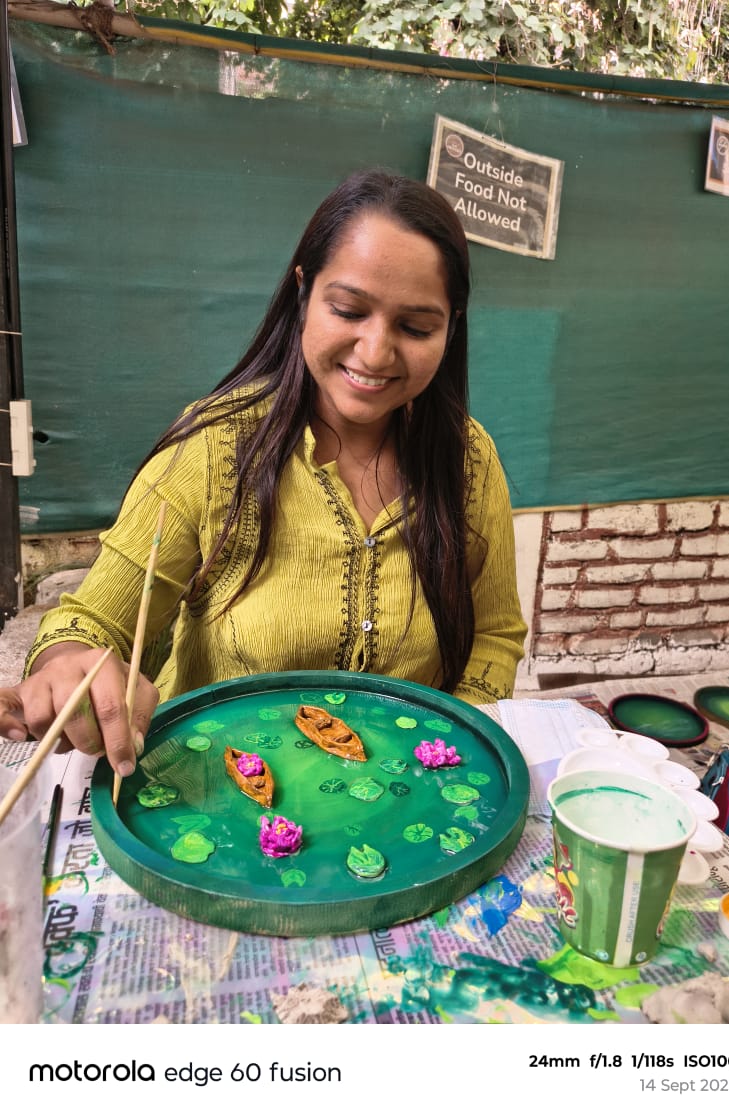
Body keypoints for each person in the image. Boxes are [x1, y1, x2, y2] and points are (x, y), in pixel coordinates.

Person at [0, 168, 526, 777]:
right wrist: (71, 663)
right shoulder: (216, 447)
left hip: (402, 806)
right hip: (220, 805)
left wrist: (450, 756)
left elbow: (494, 635)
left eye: (415, 327)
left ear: (452, 325)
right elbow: (92, 620)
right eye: (349, 309)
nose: (377, 352)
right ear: (303, 292)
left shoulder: (469, 461)